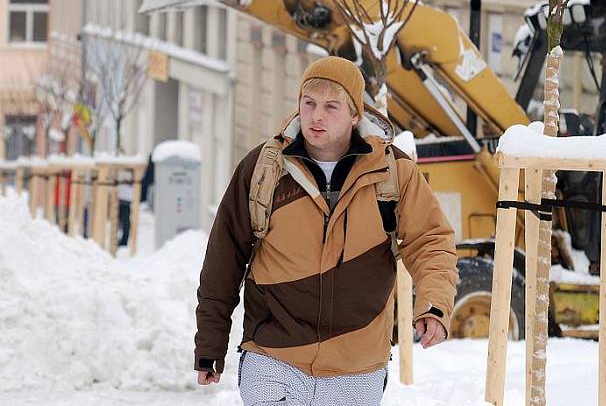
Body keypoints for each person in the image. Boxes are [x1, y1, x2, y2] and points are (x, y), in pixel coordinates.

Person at [193, 56, 458, 406]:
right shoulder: (264, 169)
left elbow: (431, 241)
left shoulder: (393, 173)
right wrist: (211, 343)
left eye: (331, 106)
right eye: (309, 103)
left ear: (354, 115)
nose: (316, 116)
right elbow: (224, 260)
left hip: (357, 366)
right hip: (274, 355)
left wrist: (435, 305)